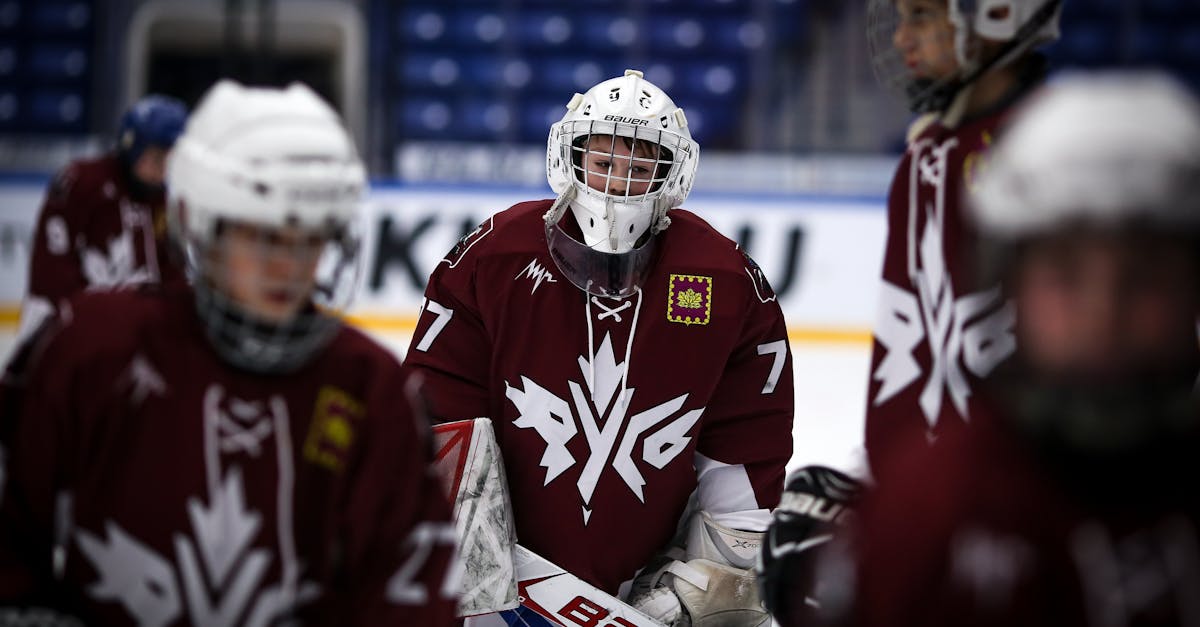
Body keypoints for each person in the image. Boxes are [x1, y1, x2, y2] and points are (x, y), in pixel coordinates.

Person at [0, 80, 458, 625]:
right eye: (262, 235)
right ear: (201, 223)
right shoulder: (89, 350)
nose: (288, 267)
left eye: (310, 238)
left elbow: (409, 589)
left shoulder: (372, 388)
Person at [805, 71, 1200, 627]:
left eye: (1147, 276)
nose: (1102, 314)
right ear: (1005, 281)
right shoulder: (925, 509)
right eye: (1064, 273)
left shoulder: (927, 496)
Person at [406, 69, 794, 626]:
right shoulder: (492, 261)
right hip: (501, 593)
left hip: (648, 597)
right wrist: (475, 574)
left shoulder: (726, 283)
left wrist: (702, 591)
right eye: (605, 162)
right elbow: (437, 427)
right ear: (571, 157)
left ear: (672, 174)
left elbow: (746, 460)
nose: (616, 187)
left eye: (639, 169)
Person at [756, 2, 1065, 618]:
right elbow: (918, 365)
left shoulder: (1059, 165)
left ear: (999, 16)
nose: (901, 39)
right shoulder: (926, 158)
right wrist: (881, 493)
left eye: (923, 17)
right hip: (938, 507)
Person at [19, 94, 188, 340]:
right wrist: (79, 319)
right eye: (156, 158)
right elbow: (51, 269)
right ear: (132, 146)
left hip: (129, 331)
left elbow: (171, 271)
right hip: (65, 325)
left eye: (170, 160)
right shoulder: (82, 181)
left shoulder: (163, 201)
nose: (162, 171)